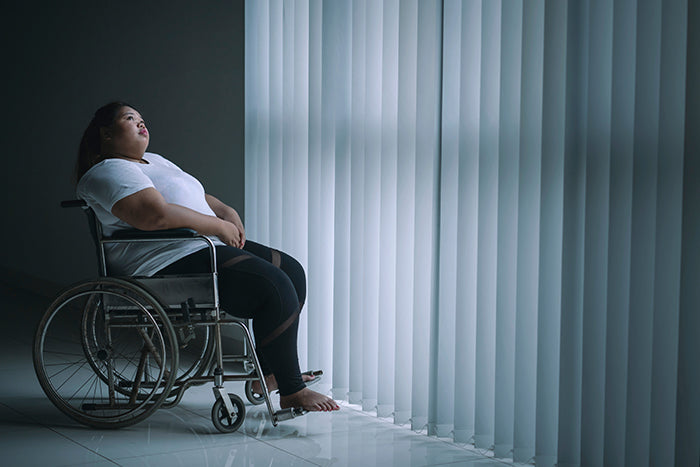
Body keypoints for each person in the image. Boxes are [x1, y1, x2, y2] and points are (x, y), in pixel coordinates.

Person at [75, 101, 339, 413]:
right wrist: (217, 225)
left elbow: (195, 195)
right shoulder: (108, 171)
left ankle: (268, 374)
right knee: (274, 285)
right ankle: (292, 390)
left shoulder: (153, 161)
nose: (141, 123)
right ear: (106, 134)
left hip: (198, 244)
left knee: (291, 271)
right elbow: (154, 216)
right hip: (163, 260)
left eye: (142, 118)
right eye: (130, 118)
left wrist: (225, 211)